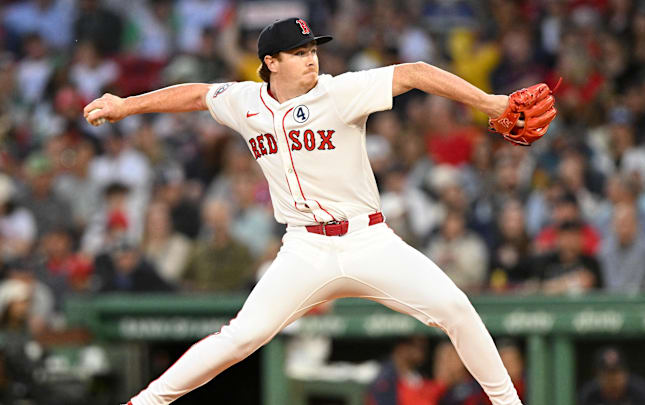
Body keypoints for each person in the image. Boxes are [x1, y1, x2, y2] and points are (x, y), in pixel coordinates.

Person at [84, 17, 534, 405]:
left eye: (312, 49)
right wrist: (127, 105)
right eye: (298, 52)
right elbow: (198, 94)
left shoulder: (341, 92)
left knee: (455, 308)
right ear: (271, 63)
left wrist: (489, 103)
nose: (311, 58)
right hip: (305, 249)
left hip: (367, 240)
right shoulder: (245, 102)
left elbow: (413, 72)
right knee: (241, 337)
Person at [578, 347, 645, 405]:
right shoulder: (589, 394)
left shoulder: (640, 392)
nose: (612, 380)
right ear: (598, 376)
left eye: (616, 374)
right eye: (607, 375)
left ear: (625, 374)